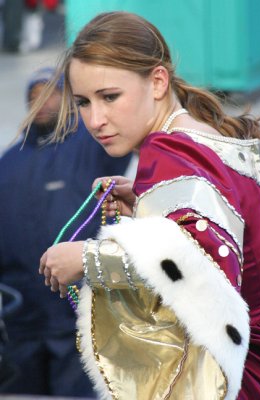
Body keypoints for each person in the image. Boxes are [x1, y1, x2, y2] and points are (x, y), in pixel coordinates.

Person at [24, 11, 260, 400]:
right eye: (83, 102)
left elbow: (207, 263)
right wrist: (145, 204)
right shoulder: (196, 137)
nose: (95, 119)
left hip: (238, 377)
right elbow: (221, 228)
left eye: (110, 97)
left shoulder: (168, 151)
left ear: (157, 81)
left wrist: (88, 258)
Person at [0, 66, 132, 396]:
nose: (41, 102)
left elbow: (128, 127)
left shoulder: (92, 145)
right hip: (21, 318)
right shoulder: (7, 161)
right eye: (34, 96)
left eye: (52, 93)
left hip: (77, 313)